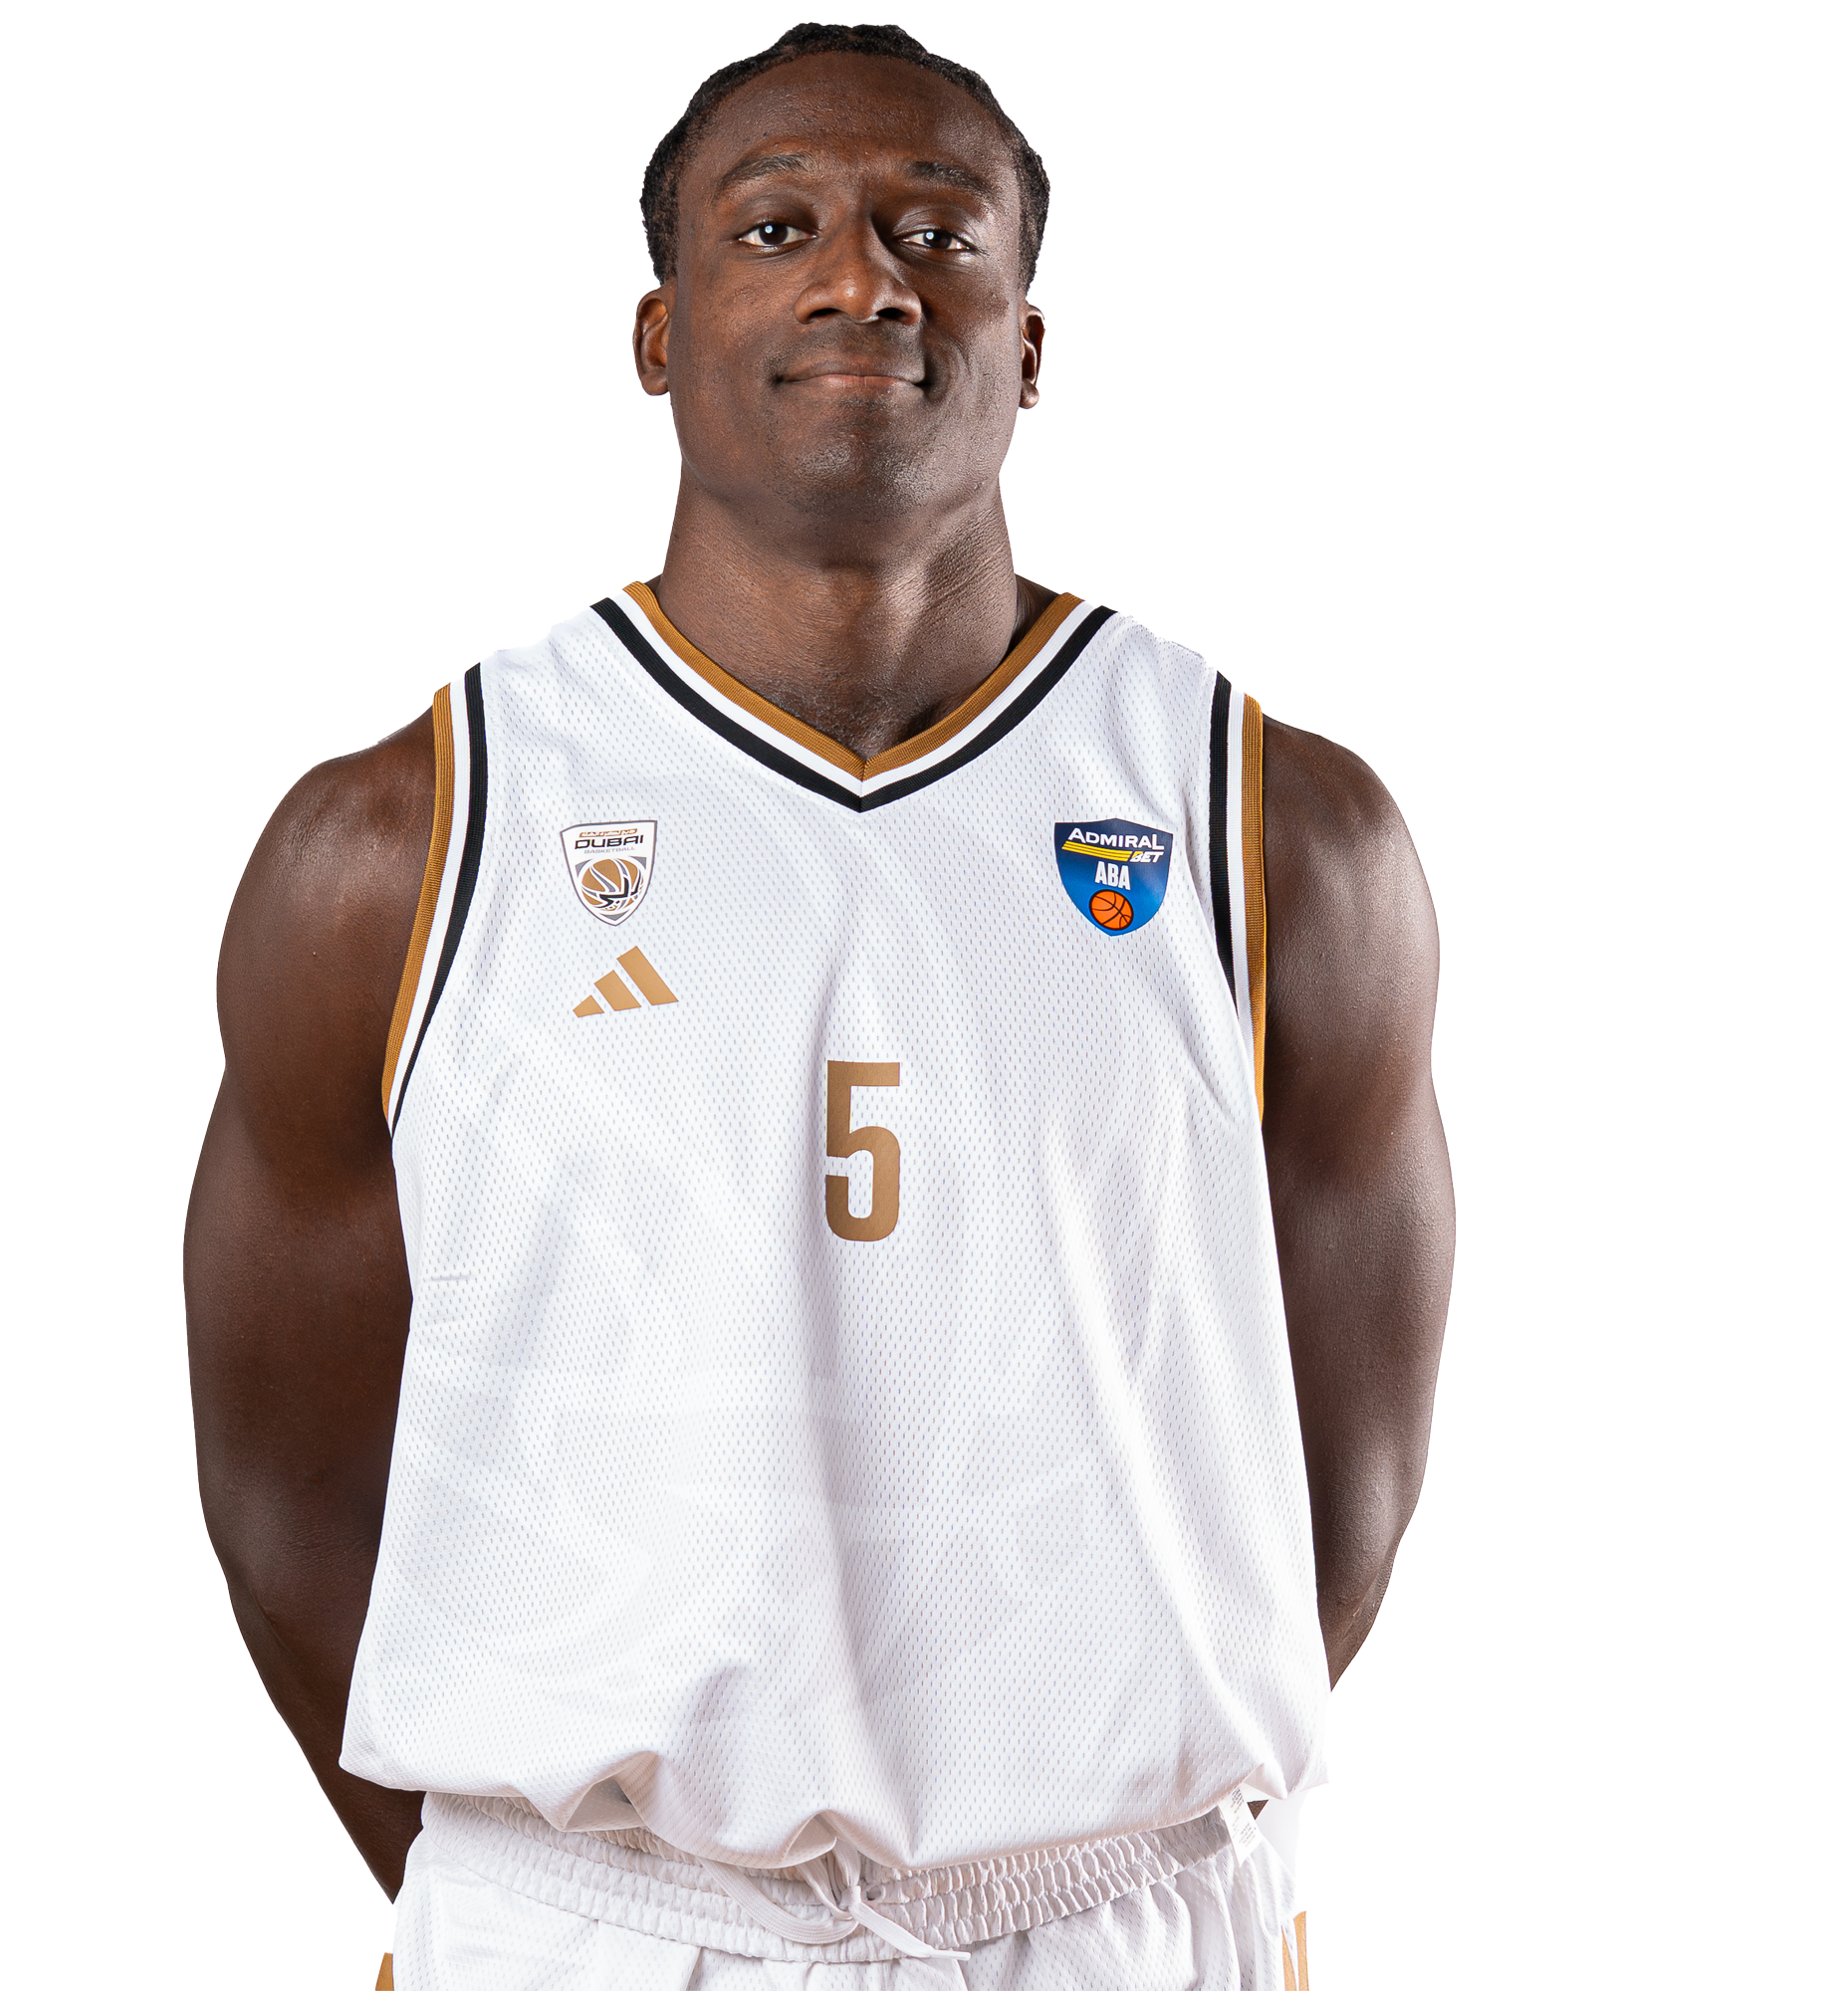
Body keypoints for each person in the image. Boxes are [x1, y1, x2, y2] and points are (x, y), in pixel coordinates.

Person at [185, 22, 1454, 1990]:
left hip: (1111, 1927)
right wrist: (580, 1897)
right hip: (597, 1929)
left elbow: (1336, 1502)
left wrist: (1054, 1841)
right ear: (658, 331)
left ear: (1029, 340)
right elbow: (286, 1500)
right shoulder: (403, 840)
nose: (864, 278)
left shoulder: (1278, 831)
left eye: (936, 233)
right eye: (777, 228)